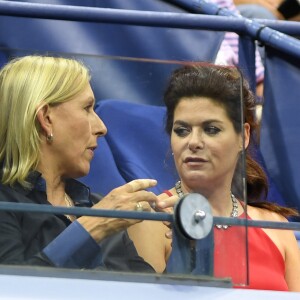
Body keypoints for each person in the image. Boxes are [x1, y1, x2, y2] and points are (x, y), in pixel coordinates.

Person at [128, 64, 300, 291]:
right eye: (182, 130)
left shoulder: (275, 226)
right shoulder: (151, 220)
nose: (194, 142)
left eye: (211, 129)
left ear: (244, 136)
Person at [0, 55, 158, 271]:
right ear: (46, 119)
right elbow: (13, 289)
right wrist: (92, 229)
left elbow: (147, 292)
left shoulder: (94, 206)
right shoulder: (5, 203)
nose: (102, 127)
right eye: (87, 108)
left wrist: (186, 241)